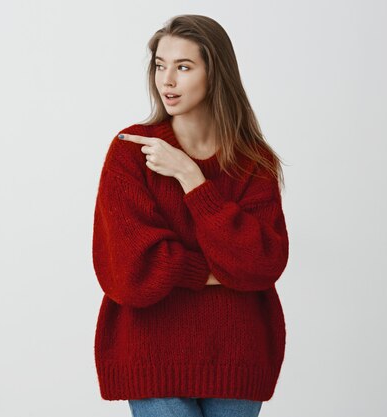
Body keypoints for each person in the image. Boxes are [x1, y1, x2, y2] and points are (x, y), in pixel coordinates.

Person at [91, 14, 289, 417]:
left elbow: (261, 263)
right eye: (161, 66)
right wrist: (215, 271)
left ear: (216, 74)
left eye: (183, 67)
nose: (167, 81)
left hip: (238, 355)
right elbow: (130, 271)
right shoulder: (131, 152)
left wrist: (190, 177)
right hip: (151, 355)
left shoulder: (254, 163)